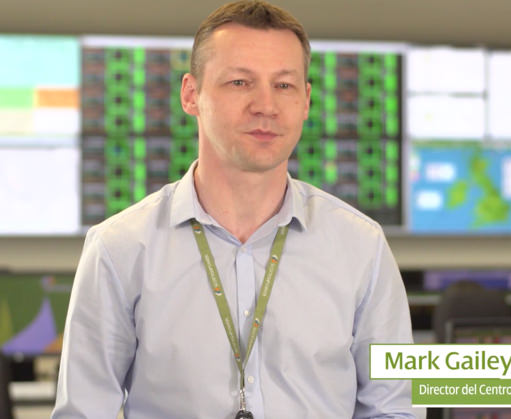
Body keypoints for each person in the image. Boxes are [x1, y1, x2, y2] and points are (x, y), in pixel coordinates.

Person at [52, 1, 423, 418]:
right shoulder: (118, 249)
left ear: (306, 100)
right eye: (240, 82)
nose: (265, 105)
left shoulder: (363, 246)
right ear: (191, 94)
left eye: (284, 85)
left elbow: (397, 408)